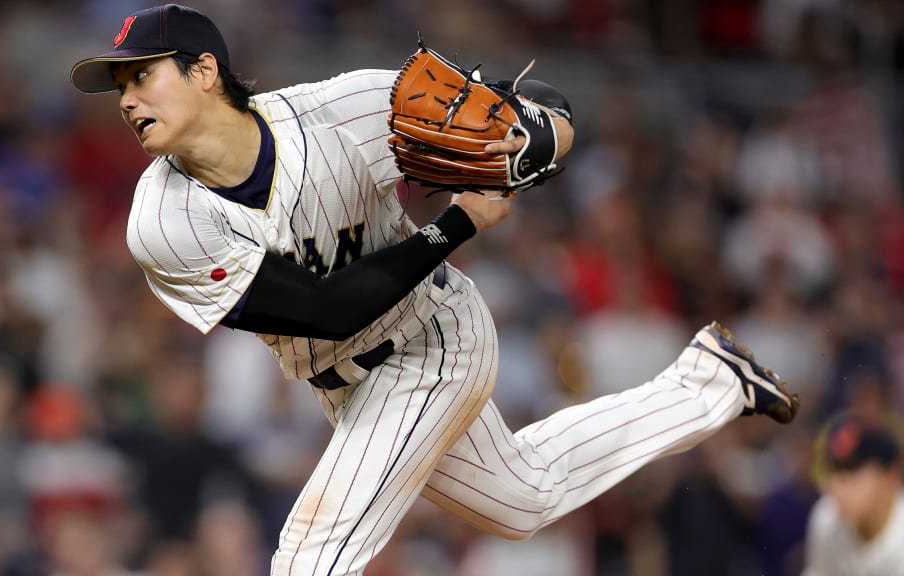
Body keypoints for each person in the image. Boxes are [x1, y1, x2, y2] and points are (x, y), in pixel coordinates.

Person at [69, 5, 800, 574]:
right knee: (525, 497)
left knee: (311, 558)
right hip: (345, 373)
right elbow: (324, 312)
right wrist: (453, 225)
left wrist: (538, 140)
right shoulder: (164, 223)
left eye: (141, 75)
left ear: (204, 72)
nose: (127, 99)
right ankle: (711, 382)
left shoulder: (339, 112)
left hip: (433, 338)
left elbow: (530, 105)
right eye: (119, 86)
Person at [803, 412, 904, 576]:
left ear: (890, 477)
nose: (835, 487)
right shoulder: (827, 516)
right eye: (832, 470)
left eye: (851, 471)